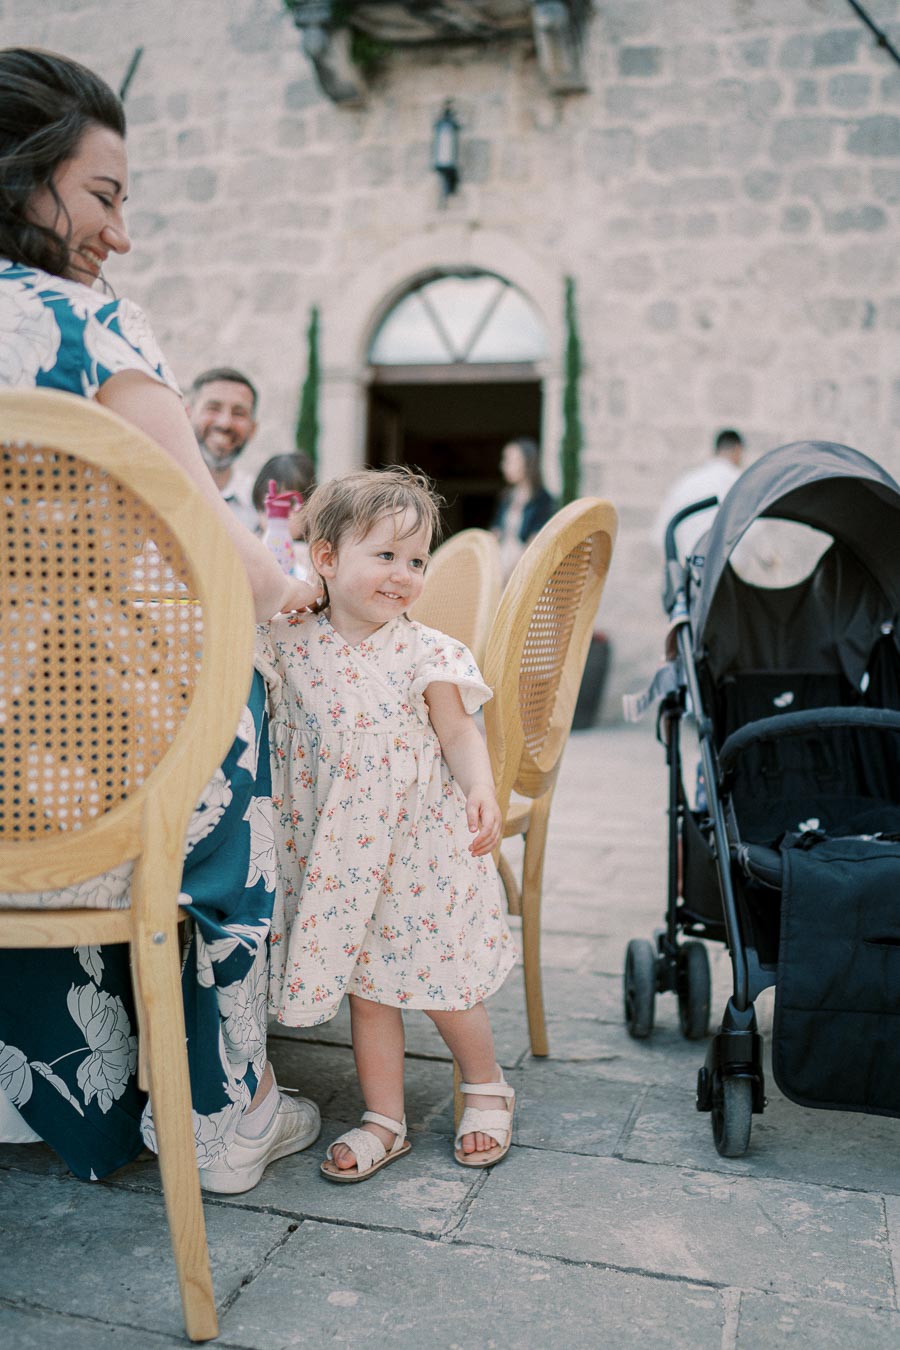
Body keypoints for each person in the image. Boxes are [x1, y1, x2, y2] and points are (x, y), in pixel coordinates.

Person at [0, 46, 322, 1193]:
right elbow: (222, 556)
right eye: (103, 195)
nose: (119, 234)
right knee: (235, 718)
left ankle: (43, 1091)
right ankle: (229, 1112)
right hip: (80, 784)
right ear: (21, 181)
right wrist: (300, 590)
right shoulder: (84, 325)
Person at [258, 467, 517, 1182]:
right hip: (340, 854)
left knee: (444, 980)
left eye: (416, 560)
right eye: (386, 556)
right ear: (328, 559)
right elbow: (233, 619)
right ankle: (384, 1118)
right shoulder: (293, 640)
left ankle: (487, 1081)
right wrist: (289, 593)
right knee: (368, 986)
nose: (404, 575)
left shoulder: (425, 651)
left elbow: (460, 732)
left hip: (419, 846)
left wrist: (482, 788)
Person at [654, 428, 746, 563]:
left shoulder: (685, 482)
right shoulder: (740, 483)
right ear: (738, 450)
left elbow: (660, 536)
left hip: (688, 575)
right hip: (725, 576)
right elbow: (755, 532)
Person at [187, 366, 260, 532]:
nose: (225, 423)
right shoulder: (156, 490)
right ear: (187, 415)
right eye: (213, 408)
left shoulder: (261, 503)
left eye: (239, 413)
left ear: (253, 429)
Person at [492, 436, 556, 582]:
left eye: (510, 460)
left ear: (527, 463)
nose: (504, 465)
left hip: (525, 565)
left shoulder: (543, 499)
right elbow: (496, 531)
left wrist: (513, 569)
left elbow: (537, 539)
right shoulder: (507, 497)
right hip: (501, 560)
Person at [252, 451, 315, 578]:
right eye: (267, 507)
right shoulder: (252, 546)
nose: (275, 516)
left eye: (288, 506)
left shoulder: (314, 554)